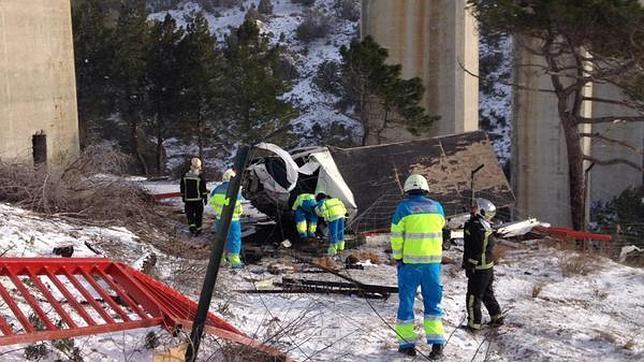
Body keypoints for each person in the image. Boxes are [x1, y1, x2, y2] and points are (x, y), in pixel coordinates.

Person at [390, 174, 446, 359]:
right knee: (433, 304)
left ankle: (407, 345)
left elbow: (396, 237)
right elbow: (442, 227)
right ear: (426, 189)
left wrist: (398, 258)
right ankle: (437, 345)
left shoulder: (403, 208)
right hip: (432, 265)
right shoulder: (437, 208)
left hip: (410, 265)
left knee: (406, 303)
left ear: (407, 190)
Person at [463, 198, 503, 332]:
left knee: (473, 297)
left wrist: (470, 266)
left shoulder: (476, 227)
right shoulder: (484, 225)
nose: (471, 208)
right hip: (487, 267)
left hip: (479, 268)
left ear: (481, 211)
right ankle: (496, 316)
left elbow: (476, 249)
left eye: (475, 207)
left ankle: (474, 324)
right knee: (487, 293)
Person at [210, 169, 244, 268]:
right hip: (233, 220)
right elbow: (238, 206)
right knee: (234, 239)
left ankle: (221, 260)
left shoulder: (217, 189)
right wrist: (240, 212)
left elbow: (212, 203)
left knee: (221, 239)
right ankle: (234, 261)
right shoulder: (235, 189)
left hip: (220, 219)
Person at [180, 158, 208, 236]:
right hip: (198, 199)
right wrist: (205, 197)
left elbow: (182, 187)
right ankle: (198, 229)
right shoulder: (200, 176)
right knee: (198, 214)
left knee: (190, 214)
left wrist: (183, 196)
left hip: (188, 199)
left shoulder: (185, 175)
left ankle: (192, 227)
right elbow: (203, 188)